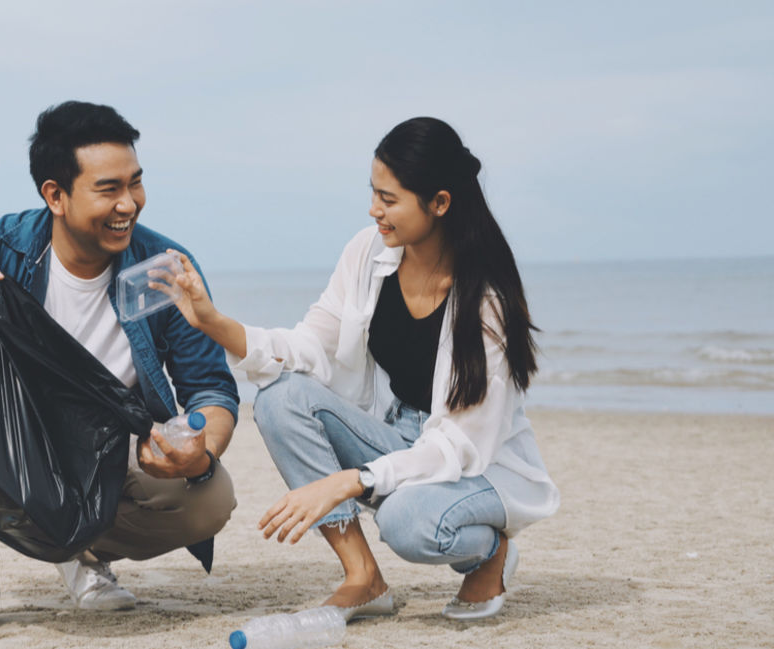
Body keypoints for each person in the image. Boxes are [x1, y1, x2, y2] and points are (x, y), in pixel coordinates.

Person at [161, 117, 559, 621]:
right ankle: (363, 578)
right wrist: (211, 320)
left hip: (476, 465)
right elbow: (309, 346)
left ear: (439, 203)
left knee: (407, 522)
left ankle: (490, 553)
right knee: (281, 398)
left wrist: (351, 480)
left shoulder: (486, 305)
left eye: (389, 200)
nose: (375, 211)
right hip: (397, 437)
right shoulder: (368, 252)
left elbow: (456, 446)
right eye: (374, 194)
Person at [0, 101, 240, 636]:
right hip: (10, 440)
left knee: (211, 498)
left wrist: (200, 448)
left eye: (135, 183)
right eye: (108, 188)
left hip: (107, 451)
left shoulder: (162, 266)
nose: (129, 204)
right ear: (55, 195)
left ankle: (82, 553)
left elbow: (211, 389)